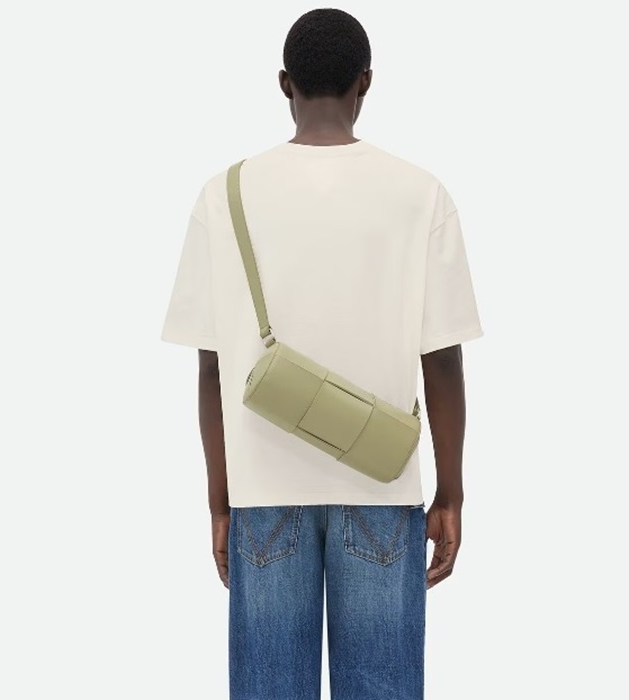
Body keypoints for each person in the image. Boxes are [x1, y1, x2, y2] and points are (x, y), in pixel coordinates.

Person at [161, 8, 483, 699]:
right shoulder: (420, 193)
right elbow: (443, 359)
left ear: (285, 83)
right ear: (366, 82)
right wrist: (451, 492)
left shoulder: (223, 194)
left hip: (262, 491)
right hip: (382, 485)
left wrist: (219, 501)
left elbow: (211, 368)